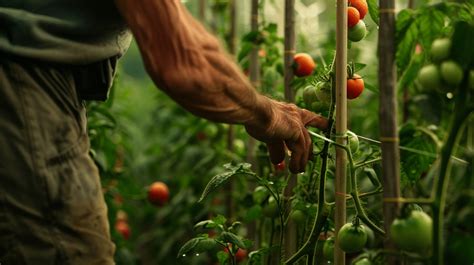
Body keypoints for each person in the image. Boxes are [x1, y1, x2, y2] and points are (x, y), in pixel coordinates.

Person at [0, 0, 328, 264]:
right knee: (69, 251)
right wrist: (267, 115)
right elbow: (184, 66)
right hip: (24, 83)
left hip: (29, 80)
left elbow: (182, 35)